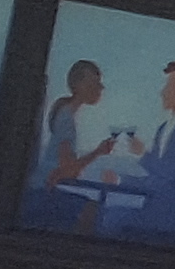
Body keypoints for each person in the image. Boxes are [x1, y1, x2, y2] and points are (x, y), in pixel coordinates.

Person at [125, 58, 175, 242]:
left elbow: (168, 175)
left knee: (111, 220)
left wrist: (141, 155)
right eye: (166, 86)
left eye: (172, 86)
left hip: (171, 217)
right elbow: (156, 175)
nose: (164, 92)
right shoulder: (163, 127)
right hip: (154, 208)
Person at [35, 59, 119, 228]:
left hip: (45, 188)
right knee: (93, 213)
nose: (101, 88)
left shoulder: (66, 114)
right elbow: (68, 169)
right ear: (79, 85)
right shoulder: (66, 119)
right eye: (95, 82)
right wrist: (98, 152)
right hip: (43, 192)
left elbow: (66, 169)